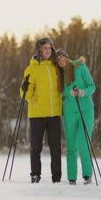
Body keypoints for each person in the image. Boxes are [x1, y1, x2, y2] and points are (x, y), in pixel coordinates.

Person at [20, 38, 63, 183]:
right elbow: (25, 95)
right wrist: (25, 89)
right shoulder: (31, 69)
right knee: (36, 147)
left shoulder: (55, 67)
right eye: (45, 48)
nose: (48, 50)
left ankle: (56, 177)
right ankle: (35, 175)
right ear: (39, 50)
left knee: (56, 148)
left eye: (50, 48)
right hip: (37, 114)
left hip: (54, 114)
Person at [56, 48, 96, 185]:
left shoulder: (80, 67)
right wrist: (67, 94)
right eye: (58, 60)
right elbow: (60, 94)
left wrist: (82, 92)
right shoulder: (59, 75)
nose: (61, 61)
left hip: (86, 110)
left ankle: (87, 175)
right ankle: (71, 178)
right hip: (69, 112)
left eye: (62, 58)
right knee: (71, 146)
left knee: (84, 143)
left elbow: (92, 86)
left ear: (67, 57)